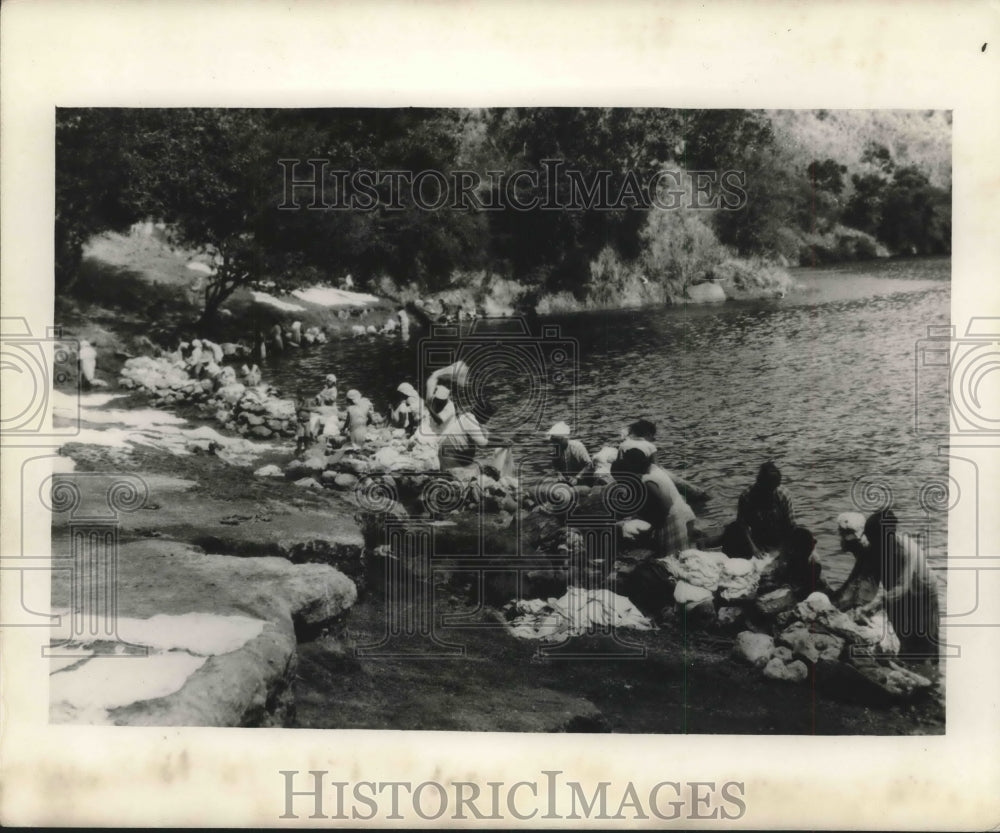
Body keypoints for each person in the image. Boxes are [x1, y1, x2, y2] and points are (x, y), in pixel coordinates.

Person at [858, 509, 941, 662]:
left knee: (928, 643)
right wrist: (861, 604)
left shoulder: (907, 550)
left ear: (888, 536)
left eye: (875, 540)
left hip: (924, 592)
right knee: (903, 638)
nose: (871, 543)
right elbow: (869, 583)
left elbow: (902, 587)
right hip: (895, 593)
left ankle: (931, 676)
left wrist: (874, 605)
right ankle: (907, 666)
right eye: (869, 539)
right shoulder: (874, 548)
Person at [611, 447, 696, 556]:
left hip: (672, 518)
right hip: (676, 515)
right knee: (674, 554)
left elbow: (666, 503)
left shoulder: (648, 481)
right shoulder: (650, 473)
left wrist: (654, 527)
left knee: (673, 557)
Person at [735, 462, 797, 553]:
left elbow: (791, 525)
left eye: (773, 489)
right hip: (757, 539)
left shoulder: (783, 495)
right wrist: (754, 548)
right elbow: (742, 525)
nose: (770, 493)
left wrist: (786, 548)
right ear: (759, 484)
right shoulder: (746, 497)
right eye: (767, 490)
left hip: (780, 538)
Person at [831, 511, 880, 611]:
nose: (840, 538)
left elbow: (867, 591)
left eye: (841, 533)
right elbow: (853, 578)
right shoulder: (863, 551)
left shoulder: (867, 553)